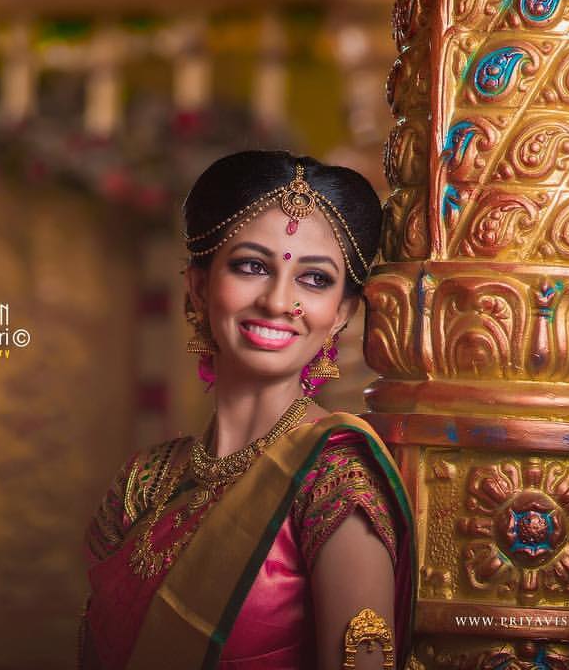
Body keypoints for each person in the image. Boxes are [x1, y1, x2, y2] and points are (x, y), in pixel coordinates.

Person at [80, 150, 414, 670]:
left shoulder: (334, 483)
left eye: (315, 278)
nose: (279, 301)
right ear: (197, 286)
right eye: (252, 267)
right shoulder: (144, 485)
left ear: (343, 313)